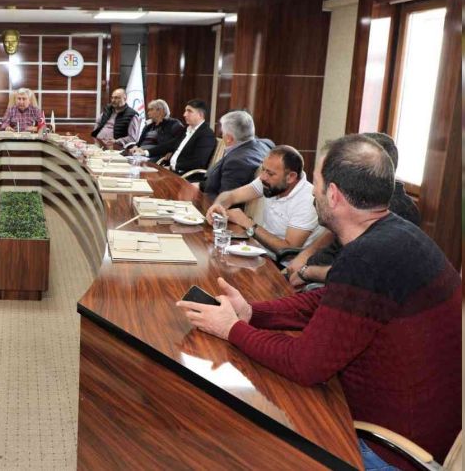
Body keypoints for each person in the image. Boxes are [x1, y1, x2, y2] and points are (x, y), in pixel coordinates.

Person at [177, 135, 461, 471]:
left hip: (386, 451)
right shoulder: (397, 234)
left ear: (334, 195)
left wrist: (232, 329)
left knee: (234, 441)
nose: (313, 192)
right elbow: (325, 300)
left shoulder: (368, 257)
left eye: (318, 183)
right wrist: (252, 313)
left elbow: (305, 365)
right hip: (420, 432)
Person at [285, 132, 421, 288]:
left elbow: (354, 274)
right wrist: (306, 256)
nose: (314, 191)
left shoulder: (390, 214)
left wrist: (308, 272)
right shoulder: (355, 208)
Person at [206, 145, 320, 252]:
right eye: (263, 169)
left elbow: (288, 249)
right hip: (262, 250)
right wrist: (218, 206)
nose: (262, 177)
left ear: (291, 177)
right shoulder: (268, 181)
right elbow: (231, 196)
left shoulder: (307, 200)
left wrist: (247, 223)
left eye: (270, 174)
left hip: (281, 263)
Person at [199, 110, 274, 196]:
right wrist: (200, 185)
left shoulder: (236, 163)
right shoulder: (266, 144)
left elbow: (225, 199)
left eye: (223, 132)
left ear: (229, 138)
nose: (222, 135)